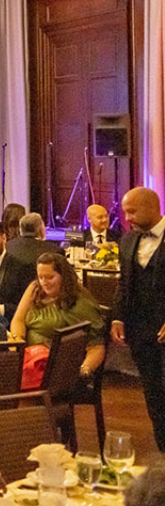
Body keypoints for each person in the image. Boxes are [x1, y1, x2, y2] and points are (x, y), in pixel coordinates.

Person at [111, 187, 165, 450]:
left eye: (132, 211)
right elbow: (124, 284)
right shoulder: (128, 240)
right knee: (154, 395)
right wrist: (117, 318)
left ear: (152, 207)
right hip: (141, 331)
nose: (127, 217)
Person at [12, 252, 106, 375]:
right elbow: (18, 320)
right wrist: (18, 343)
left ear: (64, 276)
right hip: (28, 357)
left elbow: (96, 346)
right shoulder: (34, 288)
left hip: (55, 367)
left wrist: (84, 369)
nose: (44, 282)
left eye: (50, 277)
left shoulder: (79, 303)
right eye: (41, 277)